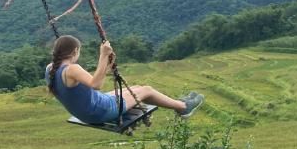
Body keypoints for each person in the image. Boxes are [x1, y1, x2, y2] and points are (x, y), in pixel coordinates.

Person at [45, 35, 203, 123]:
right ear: (75, 51)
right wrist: (103, 55)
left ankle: (178, 104)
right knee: (146, 90)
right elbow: (96, 84)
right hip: (98, 112)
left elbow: (83, 88)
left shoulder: (50, 68)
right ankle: (183, 107)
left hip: (89, 108)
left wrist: (106, 66)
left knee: (136, 88)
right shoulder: (72, 69)